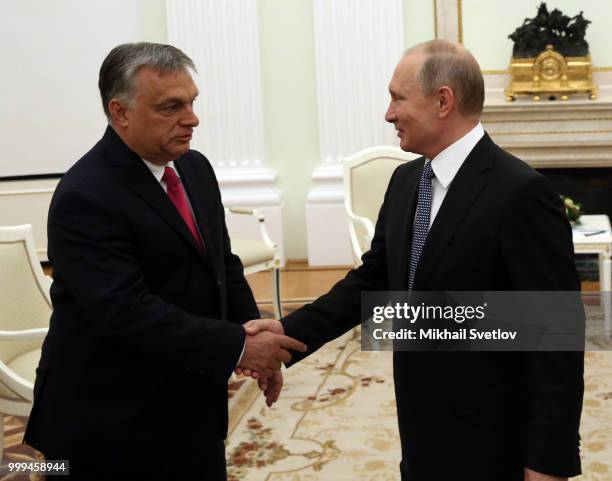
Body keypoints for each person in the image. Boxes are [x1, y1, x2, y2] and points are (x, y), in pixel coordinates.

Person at [241, 40, 584, 481]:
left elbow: (558, 333)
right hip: (423, 430)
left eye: (398, 98)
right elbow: (372, 280)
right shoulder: (406, 181)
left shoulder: (520, 192)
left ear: (443, 100)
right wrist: (288, 334)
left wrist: (548, 461)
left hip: (495, 438)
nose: (388, 113)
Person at [23, 42, 305, 481]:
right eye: (171, 107)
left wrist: (254, 331)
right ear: (120, 112)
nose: (191, 118)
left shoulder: (194, 168)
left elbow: (222, 264)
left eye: (192, 102)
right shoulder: (86, 195)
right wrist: (237, 346)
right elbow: (125, 311)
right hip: (109, 419)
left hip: (189, 400)